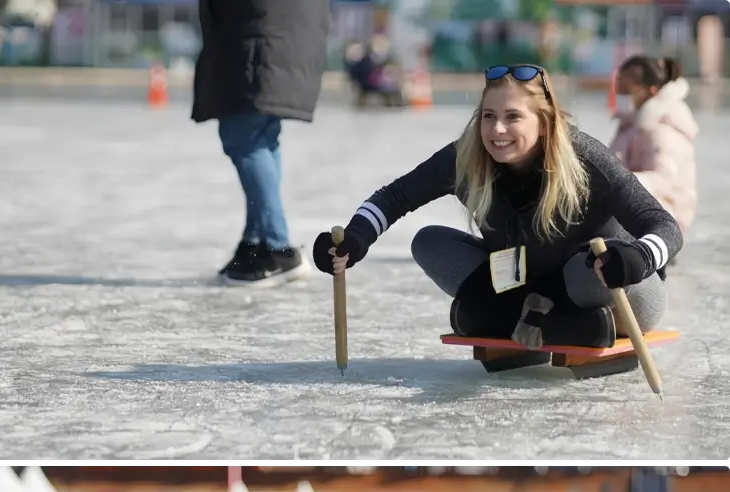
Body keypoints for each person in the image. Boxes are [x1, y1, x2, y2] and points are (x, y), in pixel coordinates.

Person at [313, 64, 682, 349]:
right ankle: (552, 325)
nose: (497, 130)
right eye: (489, 116)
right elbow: (395, 197)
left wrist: (638, 259)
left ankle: (528, 321)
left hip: (612, 293)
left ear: (545, 120)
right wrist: (355, 238)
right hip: (524, 286)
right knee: (427, 243)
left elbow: (664, 225)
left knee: (594, 262)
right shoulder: (468, 155)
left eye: (513, 117)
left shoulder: (585, 158)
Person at [191, 0, 329, 286]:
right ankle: (255, 242)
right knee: (261, 136)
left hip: (260, 41)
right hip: (279, 39)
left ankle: (277, 248)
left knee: (244, 138)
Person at [609, 56, 698, 236]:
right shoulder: (629, 124)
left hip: (666, 220)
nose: (620, 96)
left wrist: (619, 183)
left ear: (650, 91)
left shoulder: (664, 131)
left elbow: (663, 179)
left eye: (627, 90)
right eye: (618, 89)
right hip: (633, 211)